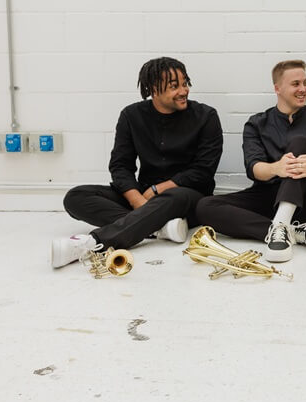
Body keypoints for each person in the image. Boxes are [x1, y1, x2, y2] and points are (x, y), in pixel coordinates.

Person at [51, 57, 223, 268]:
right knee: (76, 197)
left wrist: (157, 189)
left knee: (173, 196)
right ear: (153, 89)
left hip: (186, 195)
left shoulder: (206, 116)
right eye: (174, 86)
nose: (184, 90)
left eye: (185, 83)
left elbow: (203, 170)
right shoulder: (131, 115)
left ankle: (95, 242)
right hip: (143, 195)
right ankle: (158, 228)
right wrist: (137, 201)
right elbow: (120, 165)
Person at [195, 60, 306, 263]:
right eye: (296, 84)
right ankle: (293, 232)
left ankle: (281, 225)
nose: (303, 89)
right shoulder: (256, 123)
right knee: (204, 206)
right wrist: (276, 168)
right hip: (267, 196)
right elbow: (253, 168)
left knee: (299, 143)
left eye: (305, 83)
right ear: (277, 88)